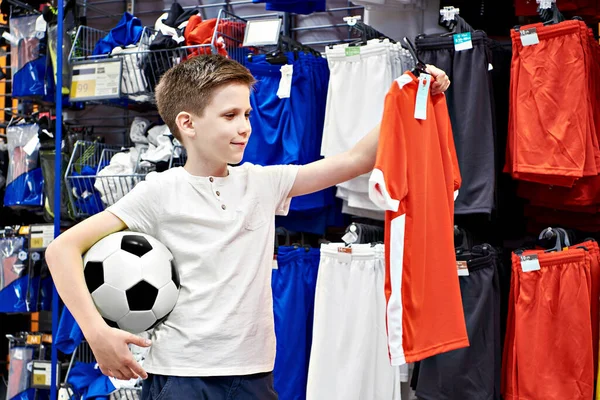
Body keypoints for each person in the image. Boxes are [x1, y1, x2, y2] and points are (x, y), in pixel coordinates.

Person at [46, 54, 450, 399]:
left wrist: (414, 93)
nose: (245, 127)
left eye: (247, 115)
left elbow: (356, 160)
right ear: (187, 123)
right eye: (230, 115)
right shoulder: (160, 191)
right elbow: (61, 250)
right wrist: (97, 334)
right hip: (181, 378)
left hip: (254, 376)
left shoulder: (261, 183)